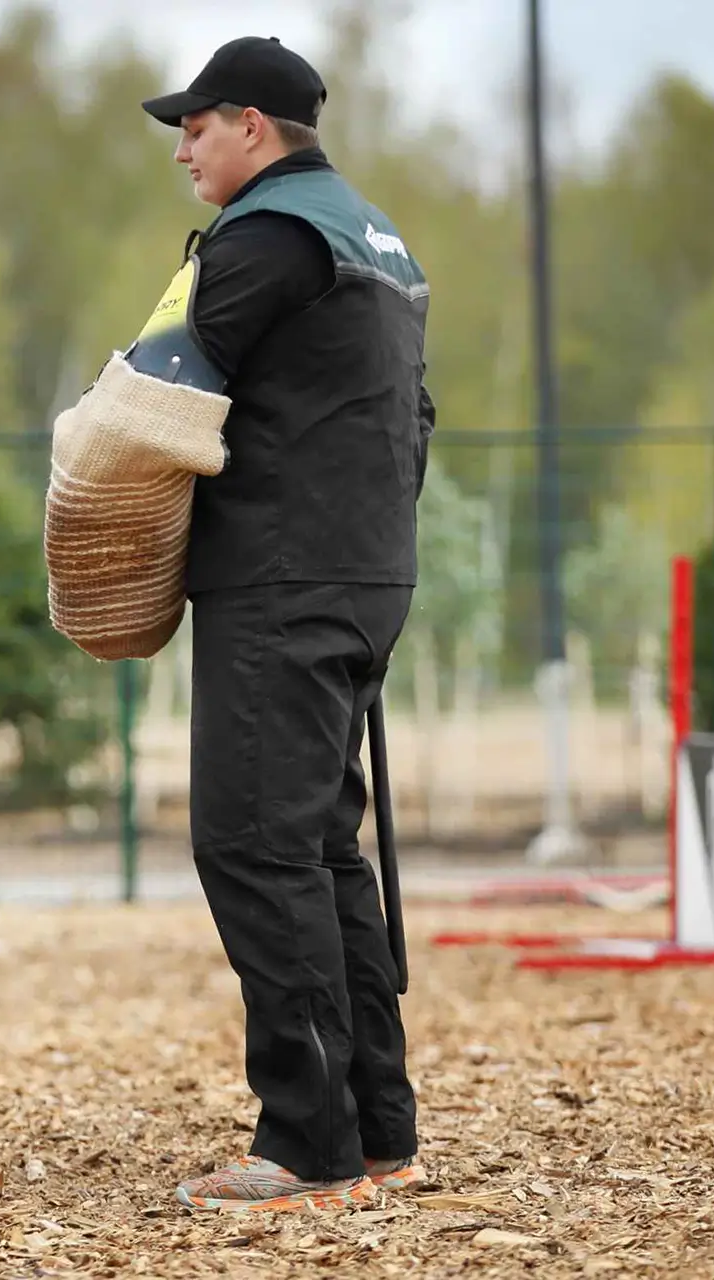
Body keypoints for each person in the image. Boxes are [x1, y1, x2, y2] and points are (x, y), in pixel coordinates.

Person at [136, 35, 436, 1212]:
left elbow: (162, 381)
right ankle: (377, 1130)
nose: (184, 147)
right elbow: (417, 413)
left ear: (253, 125)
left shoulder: (265, 239)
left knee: (255, 844)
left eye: (197, 125)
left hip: (281, 578)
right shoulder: (380, 237)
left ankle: (305, 1141)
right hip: (365, 572)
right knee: (317, 849)